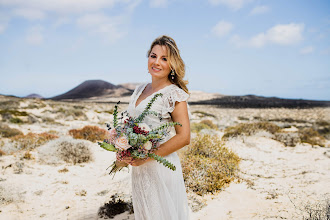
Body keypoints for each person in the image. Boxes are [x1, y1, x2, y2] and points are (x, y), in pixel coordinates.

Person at [116, 35, 191, 220]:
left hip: (160, 167)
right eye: (153, 56)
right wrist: (123, 147)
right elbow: (131, 125)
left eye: (164, 58)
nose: (157, 62)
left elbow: (184, 137)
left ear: (172, 65)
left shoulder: (174, 94)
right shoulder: (139, 89)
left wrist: (147, 156)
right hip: (140, 169)